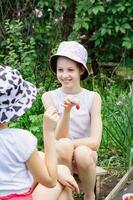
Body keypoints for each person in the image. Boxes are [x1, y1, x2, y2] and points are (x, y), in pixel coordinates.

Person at [0, 65, 79, 200]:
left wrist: (60, 170)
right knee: (62, 185)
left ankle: (62, 171)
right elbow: (50, 181)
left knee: (61, 171)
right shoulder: (20, 140)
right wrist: (48, 132)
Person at [42, 41, 103, 200]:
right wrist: (67, 111)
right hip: (61, 155)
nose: (64, 75)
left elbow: (95, 142)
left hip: (86, 156)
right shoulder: (49, 97)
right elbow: (57, 137)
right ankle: (67, 195)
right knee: (63, 144)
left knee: (81, 152)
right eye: (60, 70)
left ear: (81, 70)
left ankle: (89, 195)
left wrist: (71, 146)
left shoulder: (92, 97)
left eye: (70, 70)